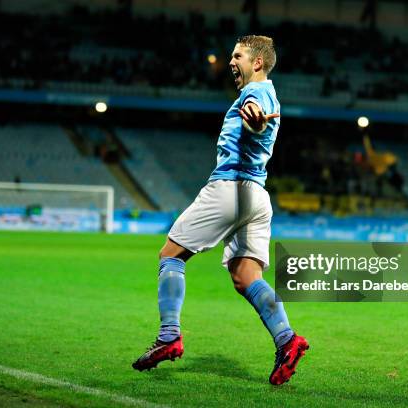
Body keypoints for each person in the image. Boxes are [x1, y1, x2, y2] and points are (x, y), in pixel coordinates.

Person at [132, 35, 309, 385]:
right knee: (246, 276)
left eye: (237, 55)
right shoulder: (266, 93)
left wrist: (255, 122)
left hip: (230, 188)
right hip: (257, 196)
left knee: (170, 255)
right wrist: (256, 124)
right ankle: (287, 339)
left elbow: (254, 121)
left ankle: (169, 336)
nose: (231, 61)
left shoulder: (255, 95)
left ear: (257, 62)